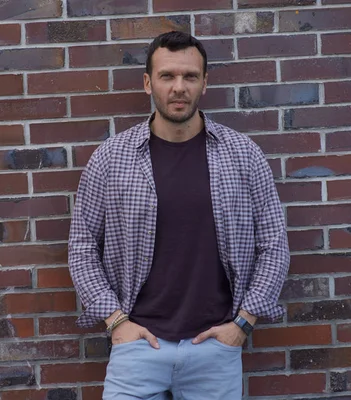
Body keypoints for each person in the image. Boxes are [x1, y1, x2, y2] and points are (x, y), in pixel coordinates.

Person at [68, 31, 290, 400]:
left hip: (215, 349)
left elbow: (274, 245)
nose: (178, 87)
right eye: (167, 76)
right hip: (136, 348)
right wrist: (116, 322)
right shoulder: (110, 159)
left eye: (189, 76)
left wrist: (243, 323)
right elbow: (82, 246)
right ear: (147, 83)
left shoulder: (243, 155)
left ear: (205, 82)